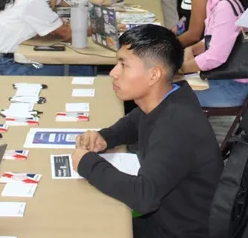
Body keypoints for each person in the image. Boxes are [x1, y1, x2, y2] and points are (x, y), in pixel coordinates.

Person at [73, 25, 223, 238]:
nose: (114, 74)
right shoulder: (167, 97)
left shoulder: (176, 126)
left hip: (176, 231)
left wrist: (87, 164)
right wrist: (104, 137)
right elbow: (132, 124)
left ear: (153, 75)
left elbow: (144, 196)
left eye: (123, 65)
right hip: (165, 219)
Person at [181, 0, 248, 108]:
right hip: (222, 79)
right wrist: (192, 50)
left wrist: (181, 69)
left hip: (234, 85)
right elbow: (213, 41)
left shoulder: (225, 7)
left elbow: (216, 56)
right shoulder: (216, 1)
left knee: (172, 98)